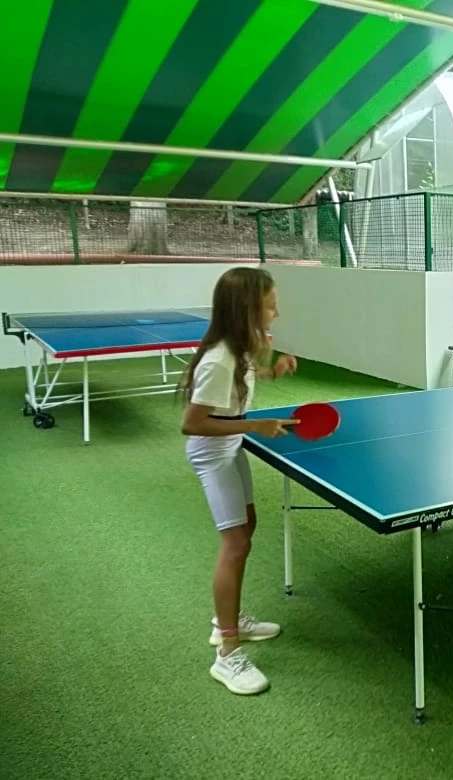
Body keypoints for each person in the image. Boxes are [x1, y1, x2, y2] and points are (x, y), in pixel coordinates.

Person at [180, 267, 298, 694]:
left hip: (230, 447)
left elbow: (243, 379)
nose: (276, 313)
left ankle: (229, 621)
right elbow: (192, 423)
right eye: (270, 306)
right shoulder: (219, 360)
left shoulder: (238, 350)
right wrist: (254, 426)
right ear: (247, 310)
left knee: (247, 530)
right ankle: (227, 651)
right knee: (234, 545)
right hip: (213, 454)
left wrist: (273, 370)